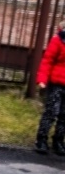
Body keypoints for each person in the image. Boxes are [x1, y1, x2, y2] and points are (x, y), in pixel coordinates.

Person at [35, 19, 65, 156]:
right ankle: (41, 139)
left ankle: (58, 141)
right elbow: (47, 60)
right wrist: (42, 79)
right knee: (51, 112)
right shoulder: (58, 40)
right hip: (57, 83)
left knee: (64, 115)